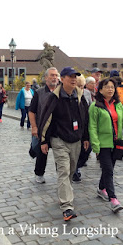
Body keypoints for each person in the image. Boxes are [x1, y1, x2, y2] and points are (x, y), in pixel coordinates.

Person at [38, 67, 90, 221]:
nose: (74, 80)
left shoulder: (80, 97)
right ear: (63, 79)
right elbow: (45, 119)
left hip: (76, 140)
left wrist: (86, 137)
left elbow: (84, 119)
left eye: (75, 77)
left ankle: (64, 193)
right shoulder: (54, 97)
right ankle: (67, 206)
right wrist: (43, 140)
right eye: (70, 77)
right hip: (59, 140)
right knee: (64, 171)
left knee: (71, 171)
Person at [88, 78, 123, 213]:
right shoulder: (95, 106)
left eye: (112, 87)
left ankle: (101, 189)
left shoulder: (118, 104)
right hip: (103, 144)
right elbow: (92, 127)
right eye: (107, 87)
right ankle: (113, 200)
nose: (110, 89)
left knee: (108, 169)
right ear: (101, 89)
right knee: (108, 170)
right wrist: (95, 145)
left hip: (117, 142)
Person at [28, 67, 59, 184]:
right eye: (52, 75)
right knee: (42, 153)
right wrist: (34, 127)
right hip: (43, 128)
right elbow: (32, 111)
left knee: (60, 153)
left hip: (58, 129)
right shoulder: (39, 92)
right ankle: (39, 173)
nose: (54, 78)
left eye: (56, 75)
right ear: (46, 78)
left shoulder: (62, 91)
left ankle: (61, 174)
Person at [72, 75, 93, 183]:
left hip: (84, 127)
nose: (81, 89)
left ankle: (76, 167)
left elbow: (89, 108)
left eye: (82, 86)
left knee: (87, 150)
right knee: (74, 152)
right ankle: (74, 171)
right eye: (78, 86)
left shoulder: (86, 94)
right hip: (72, 129)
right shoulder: (70, 96)